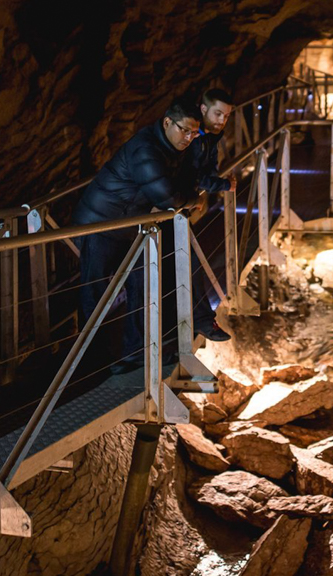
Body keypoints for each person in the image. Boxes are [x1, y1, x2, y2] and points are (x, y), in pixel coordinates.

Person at [72, 94, 211, 376]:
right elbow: (167, 195)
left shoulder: (170, 148)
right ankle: (92, 363)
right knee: (95, 292)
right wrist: (192, 198)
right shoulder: (146, 149)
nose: (188, 137)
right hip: (99, 224)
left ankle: (135, 352)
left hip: (128, 224)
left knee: (143, 283)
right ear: (167, 122)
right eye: (184, 130)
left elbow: (179, 182)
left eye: (194, 132)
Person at [178, 88, 237, 341]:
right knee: (188, 263)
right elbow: (191, 174)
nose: (222, 120)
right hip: (164, 209)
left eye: (226, 116)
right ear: (203, 110)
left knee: (186, 263)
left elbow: (206, 171)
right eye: (217, 114)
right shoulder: (193, 137)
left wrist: (199, 194)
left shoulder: (210, 136)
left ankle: (194, 322)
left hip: (181, 206)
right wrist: (224, 185)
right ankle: (200, 322)